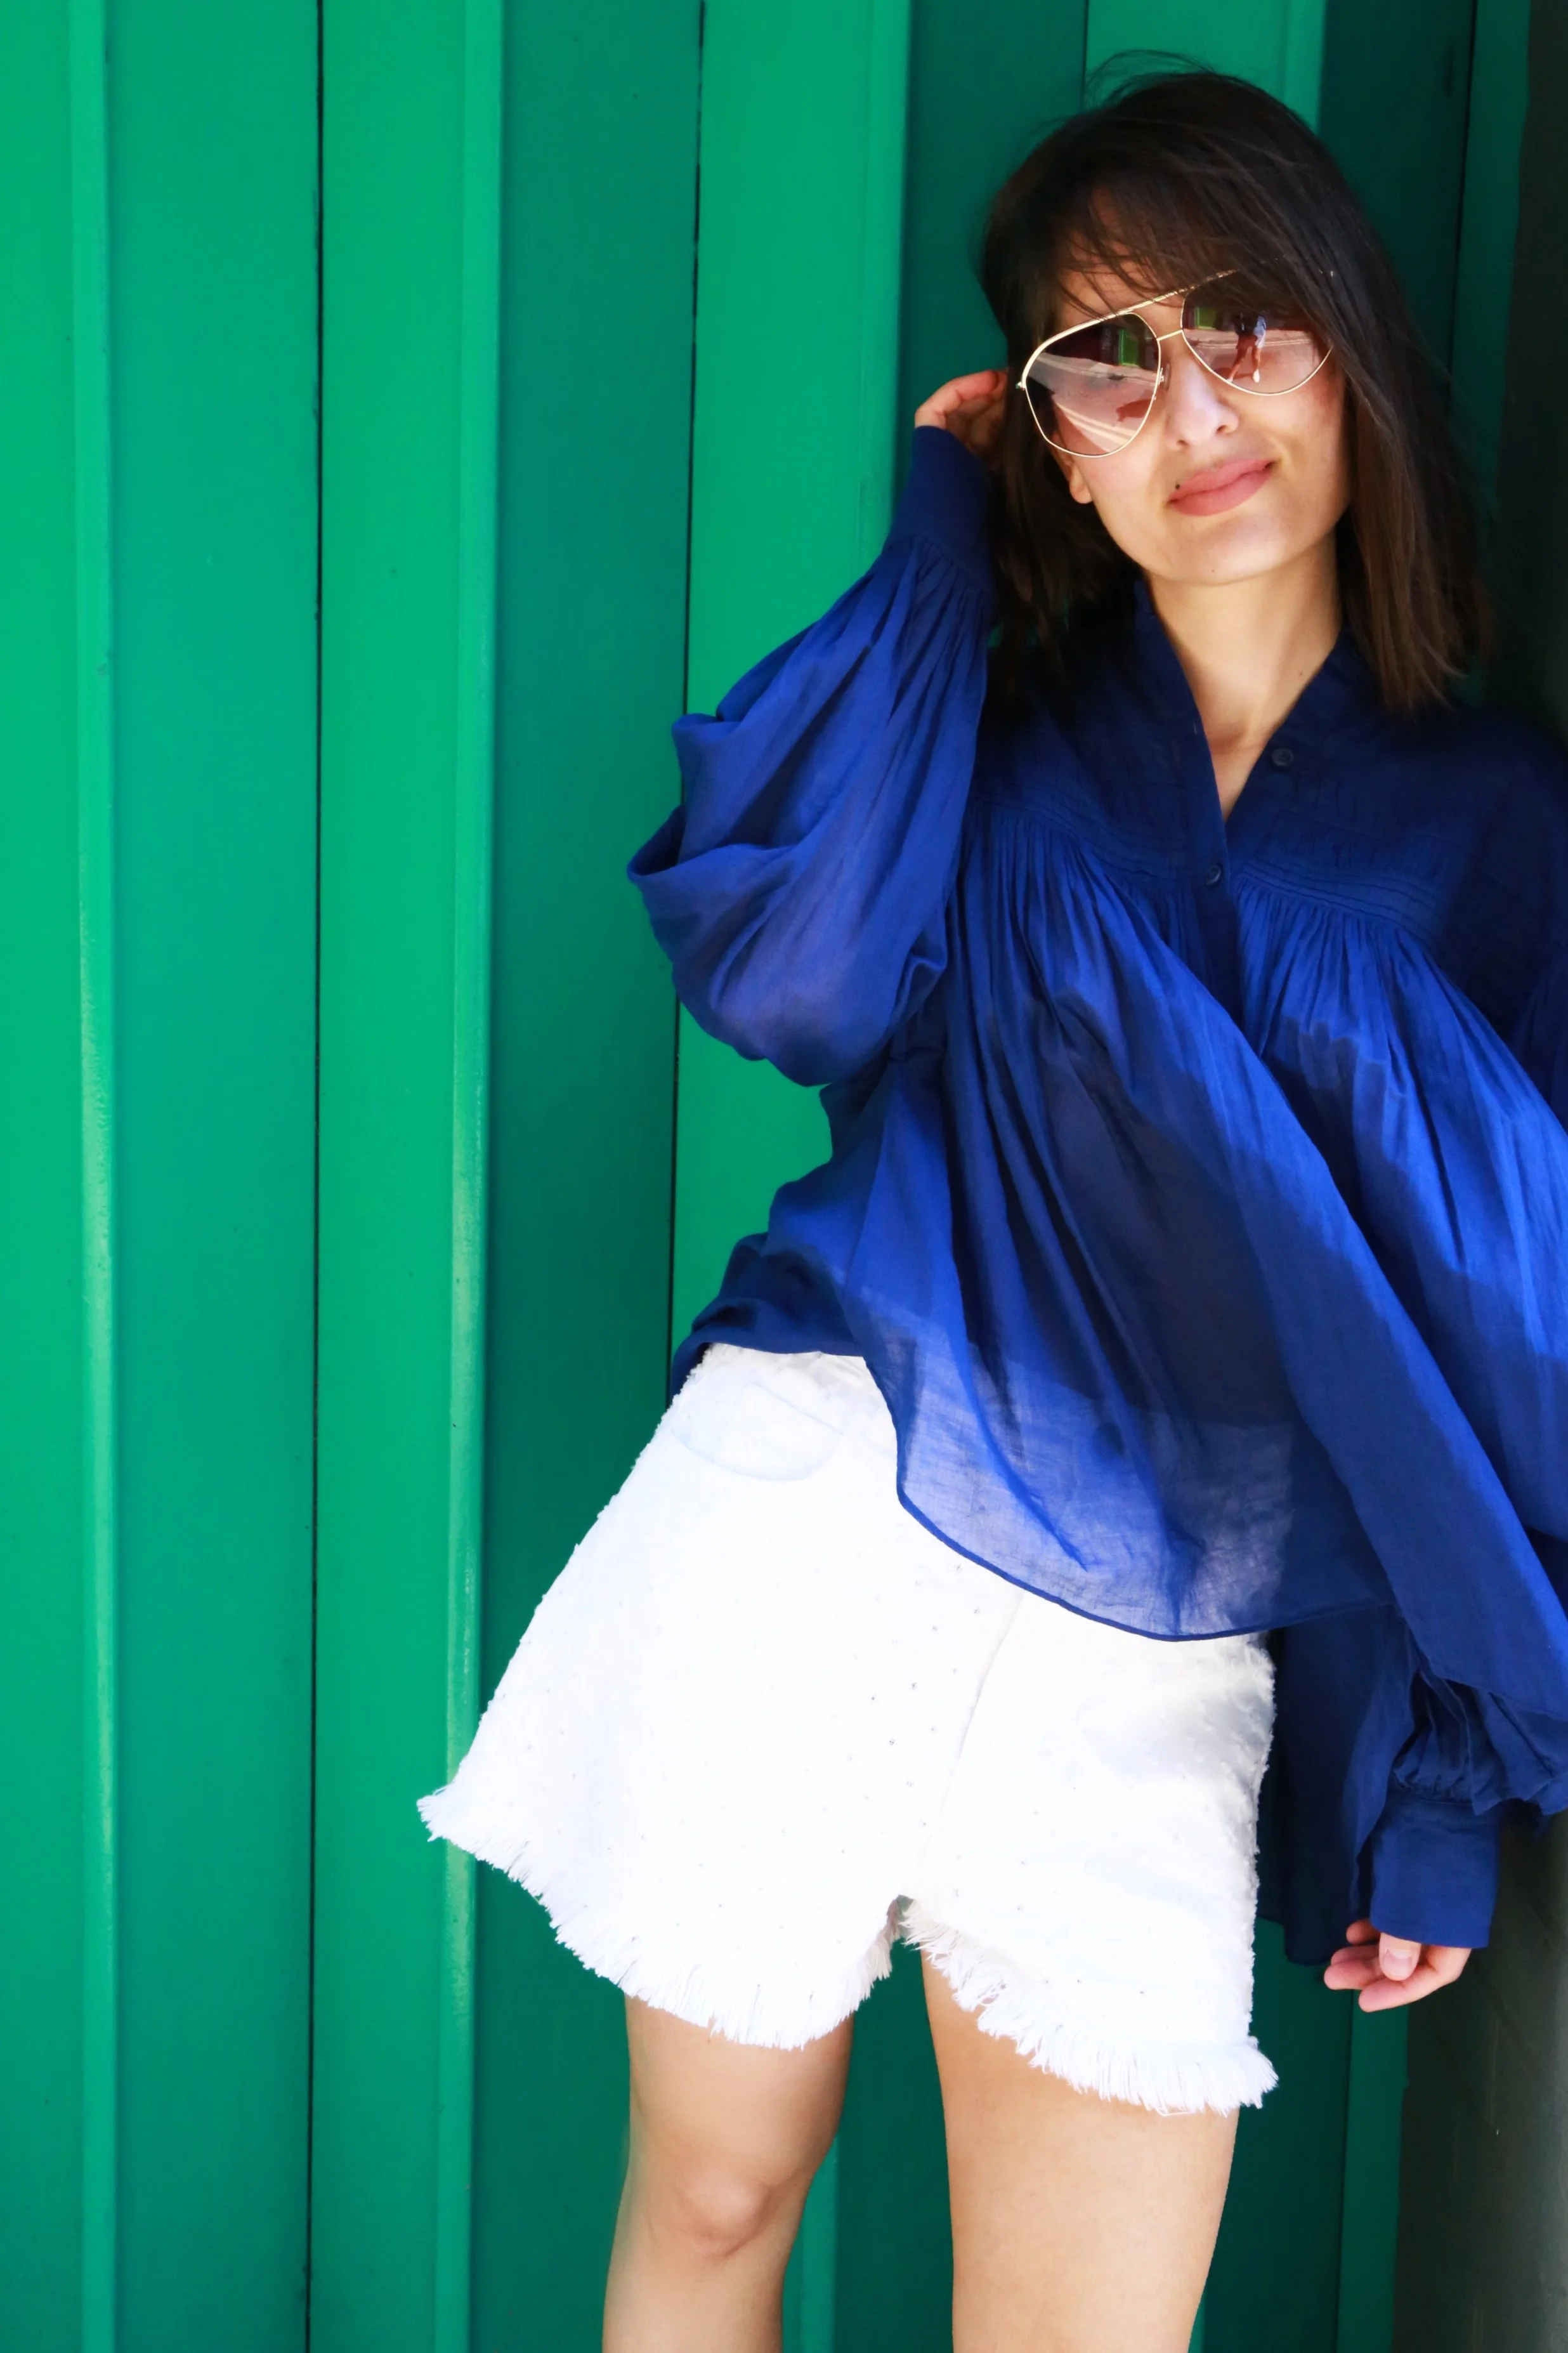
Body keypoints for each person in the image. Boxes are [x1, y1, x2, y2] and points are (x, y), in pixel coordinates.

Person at [422, 69, 1568, 2353]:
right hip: (827, 1493)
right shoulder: (1008, 723)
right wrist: (946, 537)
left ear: (1350, 343)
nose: (1191, 407)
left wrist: (1440, 1787)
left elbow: (1510, 1337)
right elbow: (794, 963)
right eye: (1105, 366)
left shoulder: (1495, 826)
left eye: (1242, 324)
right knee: (722, 2202)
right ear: (1054, 440)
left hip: (1168, 1628)